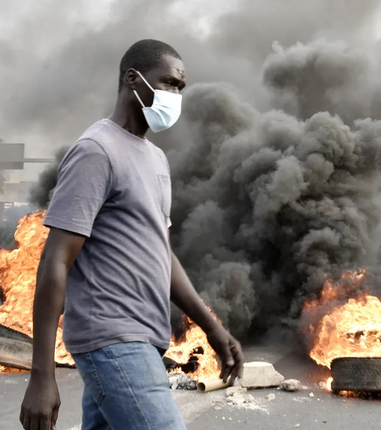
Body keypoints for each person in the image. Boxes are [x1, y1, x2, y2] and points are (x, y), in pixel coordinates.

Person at [19, 39, 244, 430]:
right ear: (132, 79)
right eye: (168, 83)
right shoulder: (96, 151)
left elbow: (163, 255)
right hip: (112, 338)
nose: (175, 94)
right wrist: (41, 375)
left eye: (180, 88)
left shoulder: (155, 158)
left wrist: (212, 327)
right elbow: (55, 260)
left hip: (146, 337)